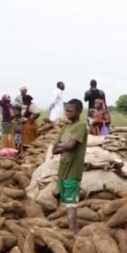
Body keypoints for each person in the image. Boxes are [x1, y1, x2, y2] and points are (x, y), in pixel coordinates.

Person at [52, 99, 88, 233]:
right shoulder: (65, 127)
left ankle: (74, 235)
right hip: (62, 171)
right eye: (66, 111)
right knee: (65, 203)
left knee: (71, 206)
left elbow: (71, 146)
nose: (67, 113)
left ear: (79, 111)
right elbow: (54, 149)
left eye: (70, 111)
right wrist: (63, 146)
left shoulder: (81, 126)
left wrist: (62, 146)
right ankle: (70, 231)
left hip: (73, 171)